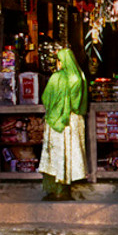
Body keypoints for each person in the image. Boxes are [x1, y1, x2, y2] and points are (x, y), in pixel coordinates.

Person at [39, 47, 88, 200]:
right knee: (70, 153)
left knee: (57, 154)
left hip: (58, 123)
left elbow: (46, 99)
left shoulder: (57, 78)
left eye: (58, 61)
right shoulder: (79, 77)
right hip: (74, 121)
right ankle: (66, 188)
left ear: (61, 62)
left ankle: (58, 190)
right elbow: (79, 103)